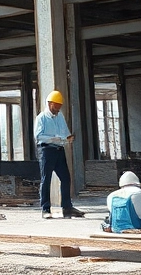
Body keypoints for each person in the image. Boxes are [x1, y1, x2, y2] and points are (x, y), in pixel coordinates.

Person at [34, 89, 86, 219]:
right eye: (56, 106)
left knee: (65, 178)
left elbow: (65, 133)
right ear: (50, 104)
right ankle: (45, 209)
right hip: (46, 150)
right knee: (46, 179)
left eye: (60, 106)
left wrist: (68, 139)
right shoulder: (42, 118)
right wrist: (56, 138)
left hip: (59, 150)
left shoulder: (60, 116)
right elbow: (38, 136)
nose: (58, 109)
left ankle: (67, 208)